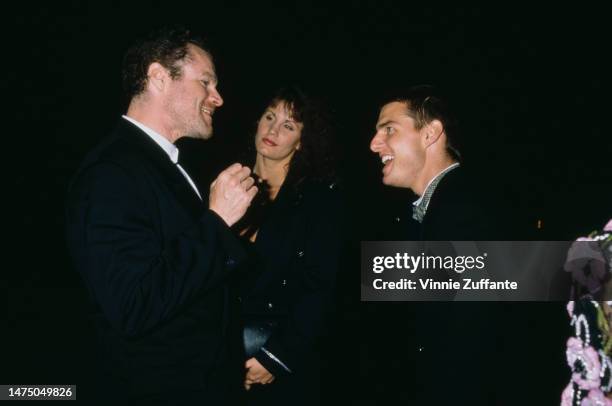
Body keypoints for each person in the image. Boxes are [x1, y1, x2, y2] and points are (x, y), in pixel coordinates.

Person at [65, 27, 257, 404]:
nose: (218, 98)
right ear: (158, 77)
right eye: (206, 82)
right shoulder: (113, 171)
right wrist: (217, 223)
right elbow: (133, 304)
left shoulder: (164, 165)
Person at [365, 85, 502, 404]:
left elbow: (476, 341)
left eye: (389, 129)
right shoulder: (427, 212)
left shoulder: (471, 212)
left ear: (430, 134)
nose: (374, 144)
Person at [231, 87, 341, 406]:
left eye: (288, 125)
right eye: (269, 117)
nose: (273, 129)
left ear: (302, 142)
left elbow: (321, 288)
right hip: (219, 352)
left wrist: (275, 357)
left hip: (279, 357)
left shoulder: (319, 201)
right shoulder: (227, 183)